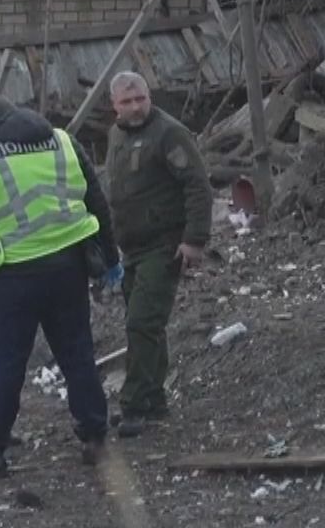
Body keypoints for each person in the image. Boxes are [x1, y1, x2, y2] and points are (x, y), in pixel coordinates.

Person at [0, 96, 120, 475]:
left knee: (7, 364)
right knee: (78, 355)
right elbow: (97, 201)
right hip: (68, 270)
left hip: (13, 278)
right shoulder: (64, 142)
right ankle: (95, 437)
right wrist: (111, 257)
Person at [103, 71, 213, 438]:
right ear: (114, 106)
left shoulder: (169, 133)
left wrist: (194, 240)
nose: (136, 108)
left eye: (141, 99)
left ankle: (134, 404)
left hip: (163, 245)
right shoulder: (117, 135)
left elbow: (197, 185)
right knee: (147, 325)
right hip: (131, 247)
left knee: (141, 322)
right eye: (127, 102)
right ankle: (154, 400)